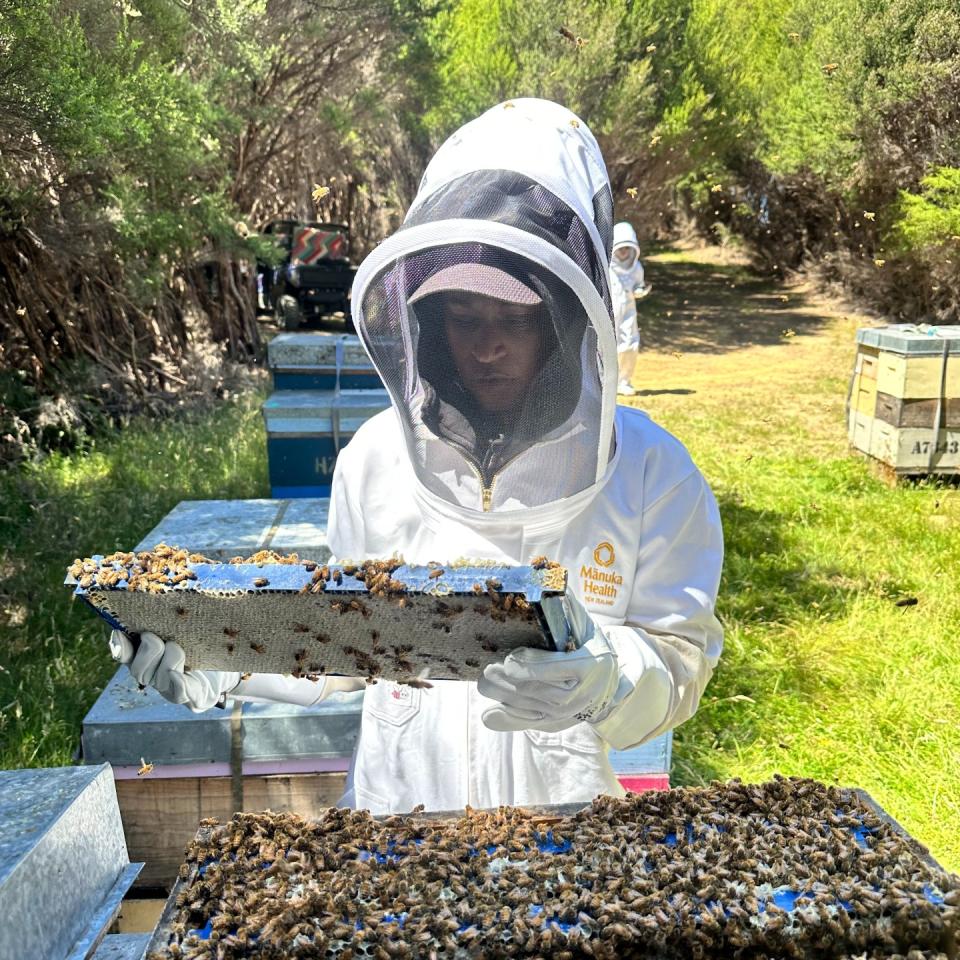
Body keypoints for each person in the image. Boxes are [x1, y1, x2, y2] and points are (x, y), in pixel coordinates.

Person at [111, 98, 723, 814]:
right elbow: (342, 655)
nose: (486, 344)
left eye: (514, 317)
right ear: (424, 321)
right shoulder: (375, 461)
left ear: (564, 319)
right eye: (463, 317)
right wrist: (226, 663)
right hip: (394, 827)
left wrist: (611, 678)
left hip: (568, 847)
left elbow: (680, 668)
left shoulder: (654, 476)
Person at [609, 221, 649, 397]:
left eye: (627, 248)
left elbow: (638, 285)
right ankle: (606, 381)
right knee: (607, 345)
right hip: (609, 312)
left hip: (629, 311)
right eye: (620, 248)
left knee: (630, 344)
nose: (624, 252)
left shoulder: (636, 268)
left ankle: (624, 381)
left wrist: (639, 291)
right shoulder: (607, 267)